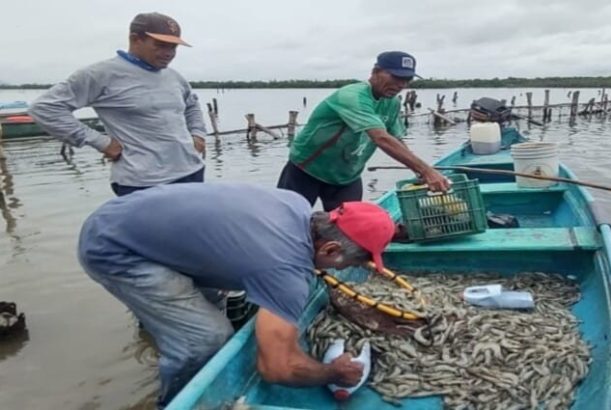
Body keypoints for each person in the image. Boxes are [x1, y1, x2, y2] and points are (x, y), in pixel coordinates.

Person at [77, 182, 396, 408]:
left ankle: (164, 339)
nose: (346, 268)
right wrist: (332, 373)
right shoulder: (283, 271)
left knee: (211, 308)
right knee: (206, 339)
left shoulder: (295, 203)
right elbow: (275, 368)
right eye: (352, 262)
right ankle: (172, 402)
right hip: (113, 248)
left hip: (124, 215)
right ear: (330, 247)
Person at [29, 12, 207, 197]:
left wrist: (198, 135)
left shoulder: (174, 77)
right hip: (142, 182)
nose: (169, 53)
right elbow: (44, 109)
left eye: (173, 47)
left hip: (191, 172)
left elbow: (191, 104)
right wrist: (101, 142)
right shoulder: (100, 74)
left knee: (194, 226)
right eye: (160, 45)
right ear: (135, 39)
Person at [277, 51, 451, 211]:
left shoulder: (393, 103)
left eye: (407, 80)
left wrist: (419, 172)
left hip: (347, 175)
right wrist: (427, 171)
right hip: (308, 168)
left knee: (349, 230)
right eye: (396, 77)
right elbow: (381, 138)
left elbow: (395, 139)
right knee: (289, 222)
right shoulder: (353, 96)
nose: (401, 85)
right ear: (375, 72)